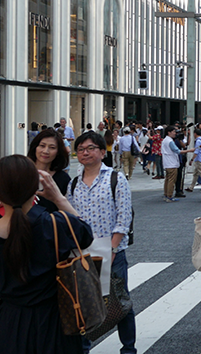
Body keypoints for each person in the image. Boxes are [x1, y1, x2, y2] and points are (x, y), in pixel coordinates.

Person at [0, 155, 91, 354]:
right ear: (35, 188)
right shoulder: (55, 224)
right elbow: (85, 235)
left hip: (8, 324)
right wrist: (59, 198)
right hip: (57, 323)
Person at [67, 131, 136, 353]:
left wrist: (113, 248)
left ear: (101, 151)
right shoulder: (74, 182)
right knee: (84, 303)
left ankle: (128, 348)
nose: (85, 153)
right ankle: (84, 347)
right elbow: (71, 218)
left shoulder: (115, 178)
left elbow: (123, 217)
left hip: (112, 251)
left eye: (90, 148)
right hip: (83, 253)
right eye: (81, 150)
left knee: (119, 302)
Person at [26, 129, 72, 213]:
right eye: (42, 146)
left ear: (58, 152)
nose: (45, 151)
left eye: (52, 147)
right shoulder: (22, 172)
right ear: (35, 147)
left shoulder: (63, 179)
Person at [162, 126, 193, 203]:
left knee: (167, 179)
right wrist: (189, 150)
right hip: (172, 163)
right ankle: (169, 196)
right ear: (169, 132)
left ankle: (166, 194)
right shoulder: (170, 141)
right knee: (171, 180)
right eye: (173, 131)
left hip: (167, 163)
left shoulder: (165, 140)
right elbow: (178, 151)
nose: (175, 133)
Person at [186, 128, 201, 192]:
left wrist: (192, 159)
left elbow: (196, 151)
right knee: (196, 174)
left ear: (195, 134)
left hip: (199, 159)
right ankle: (191, 187)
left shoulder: (198, 141)